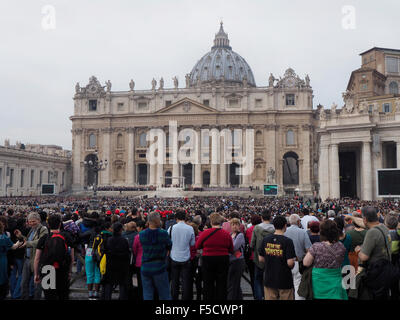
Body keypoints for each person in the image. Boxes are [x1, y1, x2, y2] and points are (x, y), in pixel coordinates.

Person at [303, 219, 347, 300]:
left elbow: (306, 263)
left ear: (322, 232)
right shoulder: (341, 246)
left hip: (319, 283)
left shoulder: (316, 247)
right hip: (335, 281)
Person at [34, 214, 74, 300]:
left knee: (49, 296)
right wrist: (70, 272)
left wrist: (36, 274)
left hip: (47, 270)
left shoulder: (44, 238)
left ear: (48, 225)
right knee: (63, 295)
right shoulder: (67, 236)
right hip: (62, 269)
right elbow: (72, 257)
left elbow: (37, 259)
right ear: (60, 224)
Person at [356, 206, 394, 299]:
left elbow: (364, 257)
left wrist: (358, 250)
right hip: (386, 270)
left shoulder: (372, 232)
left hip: (376, 273)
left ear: (365, 219)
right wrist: (353, 218)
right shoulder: (383, 227)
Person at [196, 213, 233, 300]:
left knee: (208, 283)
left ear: (211, 221)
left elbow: (197, 246)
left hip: (208, 258)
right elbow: (231, 248)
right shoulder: (226, 234)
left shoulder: (205, 233)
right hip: (223, 258)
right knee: (222, 283)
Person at [258, 215, 296, 300]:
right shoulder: (288, 241)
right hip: (284, 278)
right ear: (285, 226)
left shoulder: (266, 239)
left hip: (269, 277)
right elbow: (290, 263)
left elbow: (260, 258)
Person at [139, 212, 172, 300]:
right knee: (164, 294)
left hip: (146, 266)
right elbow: (169, 245)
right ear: (158, 221)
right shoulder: (163, 233)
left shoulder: (142, 234)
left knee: (147, 294)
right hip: (159, 266)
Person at [17, 212, 48, 300]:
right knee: (23, 283)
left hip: (36, 259)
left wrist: (28, 243)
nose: (31, 223)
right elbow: (28, 240)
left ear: (39, 220)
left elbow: (40, 241)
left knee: (37, 284)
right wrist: (21, 236)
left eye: (33, 221)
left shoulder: (43, 229)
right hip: (27, 259)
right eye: (30, 222)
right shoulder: (32, 229)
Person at [167, 209, 195, 300]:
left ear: (176, 218)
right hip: (185, 258)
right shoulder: (190, 228)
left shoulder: (171, 228)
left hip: (174, 257)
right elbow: (192, 244)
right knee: (185, 282)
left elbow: (168, 242)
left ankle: (174, 297)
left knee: (174, 281)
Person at [284, 214, 312, 300]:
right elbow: (309, 249)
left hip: (285, 261)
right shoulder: (303, 232)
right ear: (298, 222)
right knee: (298, 285)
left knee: (286, 286)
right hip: (297, 261)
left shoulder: (284, 231)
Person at [250, 209, 275, 300]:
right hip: (272, 257)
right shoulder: (274, 228)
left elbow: (252, 244)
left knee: (258, 279)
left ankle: (259, 297)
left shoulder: (256, 228)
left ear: (261, 217)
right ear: (270, 217)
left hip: (259, 258)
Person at [103, 222, 130, 300]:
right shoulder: (124, 240)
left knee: (109, 284)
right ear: (120, 230)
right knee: (122, 284)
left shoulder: (109, 240)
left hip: (110, 264)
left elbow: (105, 251)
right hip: (121, 265)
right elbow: (127, 253)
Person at [0, 220, 23, 300]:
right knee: (2, 277)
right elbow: (14, 246)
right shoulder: (3, 237)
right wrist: (20, 239)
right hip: (2, 259)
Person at [227, 218, 245, 300]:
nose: (234, 226)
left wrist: (226, 247)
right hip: (231, 260)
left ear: (239, 226)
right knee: (235, 283)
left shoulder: (240, 235)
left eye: (236, 224)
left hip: (238, 261)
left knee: (234, 283)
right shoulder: (230, 235)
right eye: (232, 224)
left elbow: (234, 247)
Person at [245, 214, 261, 299]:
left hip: (251, 256)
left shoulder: (249, 230)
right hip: (261, 256)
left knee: (253, 277)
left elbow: (248, 243)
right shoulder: (262, 229)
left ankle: (256, 295)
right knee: (261, 277)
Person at [132, 220, 145, 300]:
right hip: (148, 261)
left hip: (139, 262)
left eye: (137, 227)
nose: (136, 228)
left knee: (140, 282)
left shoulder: (138, 236)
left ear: (141, 227)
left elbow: (134, 249)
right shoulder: (149, 235)